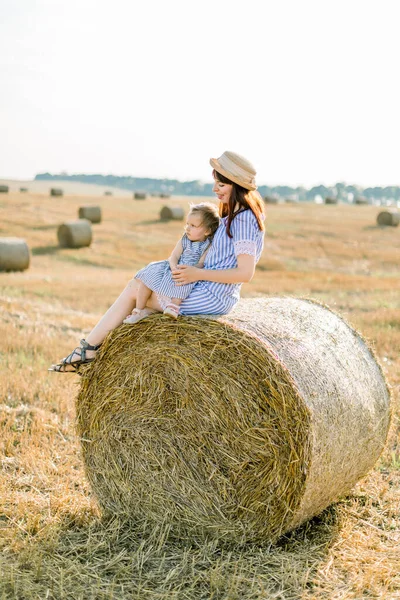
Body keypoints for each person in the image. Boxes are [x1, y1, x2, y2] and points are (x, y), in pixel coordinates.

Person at [49, 150, 265, 372]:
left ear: (236, 185)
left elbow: (245, 273)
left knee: (136, 290)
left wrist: (197, 274)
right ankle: (91, 347)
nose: (214, 190)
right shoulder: (232, 216)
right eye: (216, 184)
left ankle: (88, 350)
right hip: (202, 285)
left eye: (221, 185)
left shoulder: (245, 219)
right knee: (143, 282)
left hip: (212, 295)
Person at [123, 202, 220, 322]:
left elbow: (201, 264)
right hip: (173, 267)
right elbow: (174, 256)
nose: (188, 228)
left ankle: (173, 307)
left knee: (183, 282)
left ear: (207, 231)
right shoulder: (184, 239)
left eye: (193, 226)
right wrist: (174, 267)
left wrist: (188, 271)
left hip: (188, 271)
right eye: (187, 224)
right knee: (147, 276)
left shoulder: (208, 246)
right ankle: (139, 310)